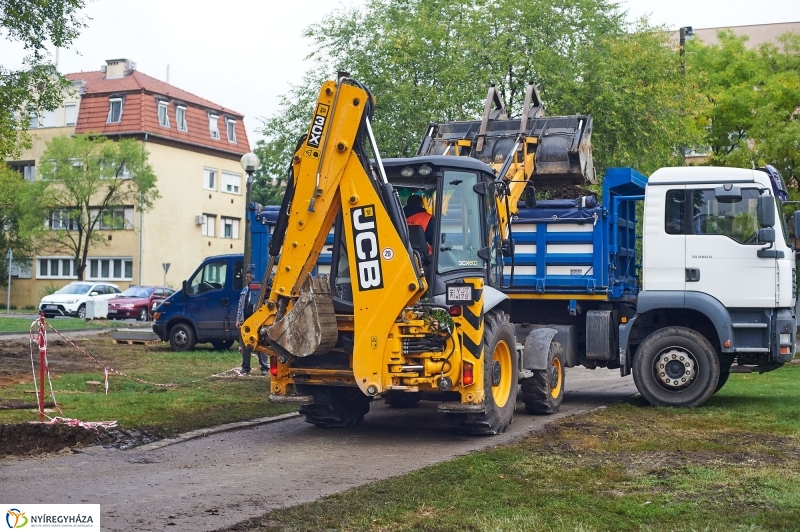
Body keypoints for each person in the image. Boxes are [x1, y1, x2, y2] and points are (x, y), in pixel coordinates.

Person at [236, 271, 269, 376]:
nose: (247, 279)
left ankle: (264, 367)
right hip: (245, 320)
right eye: (246, 277)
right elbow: (240, 305)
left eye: (249, 277)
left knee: (260, 342)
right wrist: (238, 320)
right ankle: (245, 367)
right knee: (245, 344)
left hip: (257, 322)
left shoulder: (261, 291)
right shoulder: (245, 290)